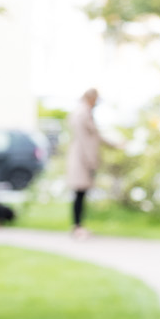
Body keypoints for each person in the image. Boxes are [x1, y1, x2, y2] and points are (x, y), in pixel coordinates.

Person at [65, 89, 105, 237]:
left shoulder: (82, 112)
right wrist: (91, 160)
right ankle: (77, 227)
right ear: (91, 98)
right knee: (79, 193)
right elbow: (85, 140)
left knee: (81, 193)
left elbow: (96, 136)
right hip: (82, 159)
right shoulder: (82, 113)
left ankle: (78, 226)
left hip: (82, 158)